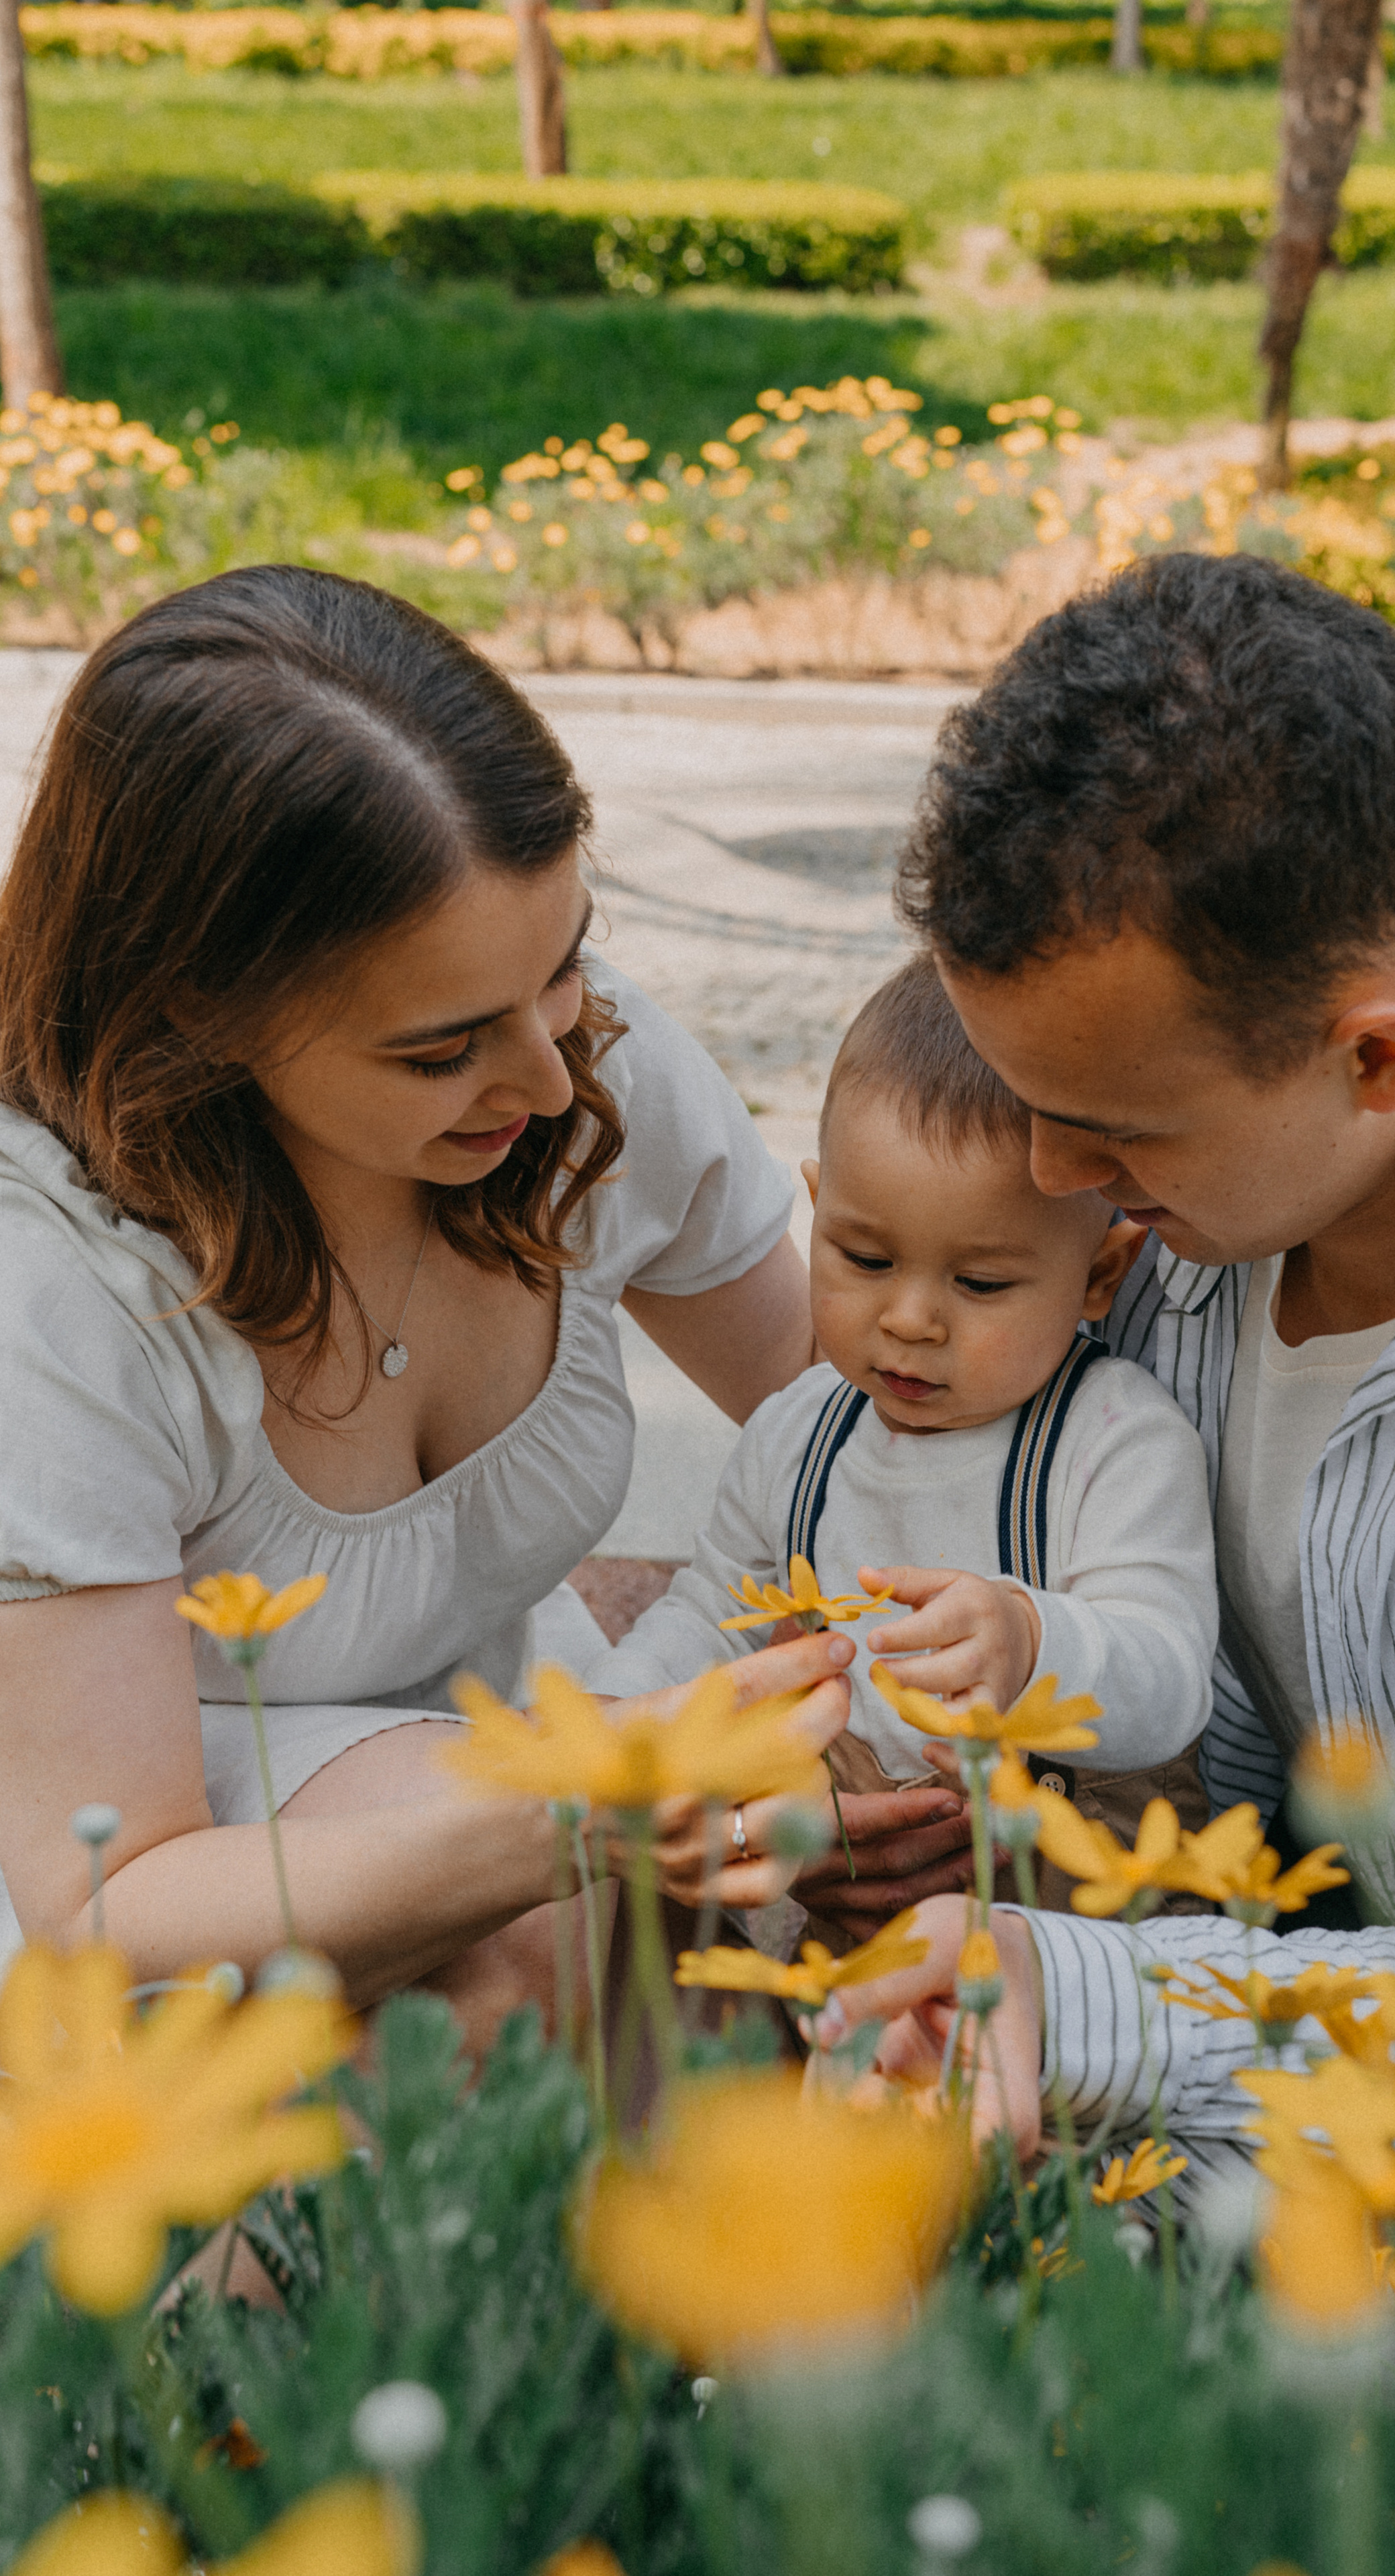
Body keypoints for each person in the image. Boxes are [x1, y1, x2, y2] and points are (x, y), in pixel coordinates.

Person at [818, 550, 1395, 2180]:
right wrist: (1004, 1823)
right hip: (1275, 2102)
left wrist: (1070, 1995)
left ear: (1378, 1060)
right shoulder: (1194, 1202)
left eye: (1108, 1132)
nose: (1041, 1178)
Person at [0, 565, 938, 2039]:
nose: (553, 1082)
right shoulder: (53, 1290)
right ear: (198, 1013)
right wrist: (570, 1816)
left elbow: (866, 1429)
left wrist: (921, 1743)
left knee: (742, 1920)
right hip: (135, 1841)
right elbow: (106, 1896)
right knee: (513, 1965)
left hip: (496, 1734)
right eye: (442, 1051)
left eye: (559, 966)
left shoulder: (582, 1074)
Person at [592, 956, 1218, 1933]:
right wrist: (616, 1710)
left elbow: (1171, 1671)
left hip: (1077, 1920)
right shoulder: (798, 1434)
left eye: (981, 1285)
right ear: (816, 1208)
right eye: (865, 1259)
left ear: (1101, 1275)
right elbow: (715, 1617)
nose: (912, 1320)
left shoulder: (1113, 1440)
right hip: (851, 1894)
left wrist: (1034, 1640)